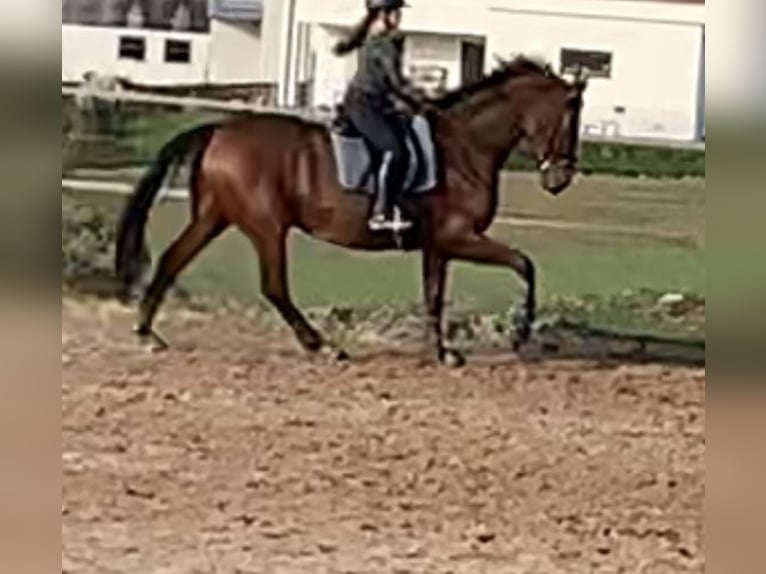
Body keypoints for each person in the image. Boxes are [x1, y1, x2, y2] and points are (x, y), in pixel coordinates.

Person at [334, 0, 427, 231]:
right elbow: (396, 83)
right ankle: (381, 212)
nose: (399, 17)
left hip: (371, 103)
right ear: (385, 14)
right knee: (397, 151)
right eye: (396, 12)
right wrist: (420, 100)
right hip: (365, 105)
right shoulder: (386, 43)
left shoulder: (372, 37)